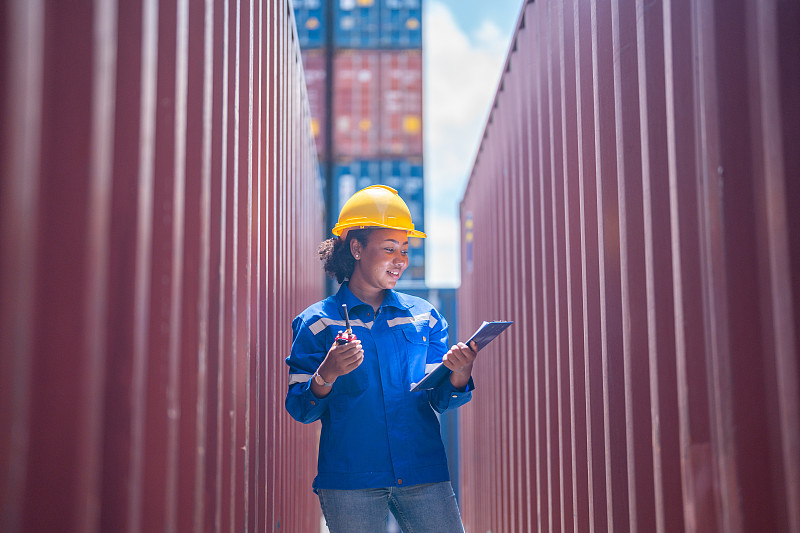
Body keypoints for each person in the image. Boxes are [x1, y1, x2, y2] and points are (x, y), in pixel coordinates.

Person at [285, 185, 478, 532]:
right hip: (351, 480)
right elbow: (301, 409)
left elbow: (441, 400)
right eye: (389, 248)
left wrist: (460, 373)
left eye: (404, 249)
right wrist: (327, 373)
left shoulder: (425, 317)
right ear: (356, 248)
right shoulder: (317, 322)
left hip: (422, 471)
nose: (400, 259)